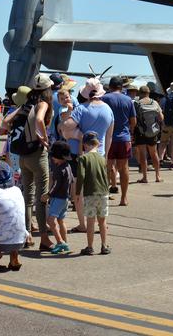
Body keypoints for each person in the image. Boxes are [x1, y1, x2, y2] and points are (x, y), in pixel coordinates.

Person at [61, 78, 114, 233]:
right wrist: (105, 156)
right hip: (100, 154)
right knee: (100, 191)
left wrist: (75, 133)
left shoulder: (81, 109)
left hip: (81, 155)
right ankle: (101, 223)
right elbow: (109, 136)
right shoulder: (108, 110)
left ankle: (82, 224)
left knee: (79, 192)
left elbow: (66, 127)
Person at [19, 74, 54, 251]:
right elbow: (40, 119)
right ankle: (44, 238)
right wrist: (44, 138)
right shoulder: (43, 103)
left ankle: (26, 235)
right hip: (37, 155)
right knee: (42, 198)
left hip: (23, 155)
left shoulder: (27, 103)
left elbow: (7, 122)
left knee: (28, 196)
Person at [103, 76, 136, 206]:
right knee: (124, 168)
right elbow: (133, 121)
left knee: (107, 167)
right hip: (124, 138)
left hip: (108, 138)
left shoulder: (104, 98)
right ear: (122, 87)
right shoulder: (128, 100)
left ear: (110, 86)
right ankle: (124, 198)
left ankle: (105, 196)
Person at [76, 132, 111, 255]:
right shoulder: (102, 159)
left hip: (90, 193)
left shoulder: (83, 158)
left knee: (90, 221)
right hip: (104, 193)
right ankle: (104, 245)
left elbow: (80, 176)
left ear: (85, 145)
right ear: (97, 144)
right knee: (102, 221)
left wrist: (77, 193)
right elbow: (107, 175)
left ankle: (90, 247)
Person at [41, 140, 73, 255]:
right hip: (65, 198)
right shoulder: (67, 166)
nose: (52, 159)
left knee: (50, 220)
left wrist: (48, 195)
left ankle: (60, 242)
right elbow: (71, 181)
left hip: (58, 198)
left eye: (54, 157)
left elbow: (56, 184)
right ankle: (65, 242)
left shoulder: (60, 170)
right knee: (60, 220)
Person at [133, 85, 164, 184]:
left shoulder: (137, 103)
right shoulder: (154, 102)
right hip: (152, 132)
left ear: (139, 93)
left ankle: (145, 177)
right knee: (154, 153)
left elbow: (134, 119)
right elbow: (161, 118)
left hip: (141, 131)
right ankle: (157, 176)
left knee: (143, 154)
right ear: (148, 93)